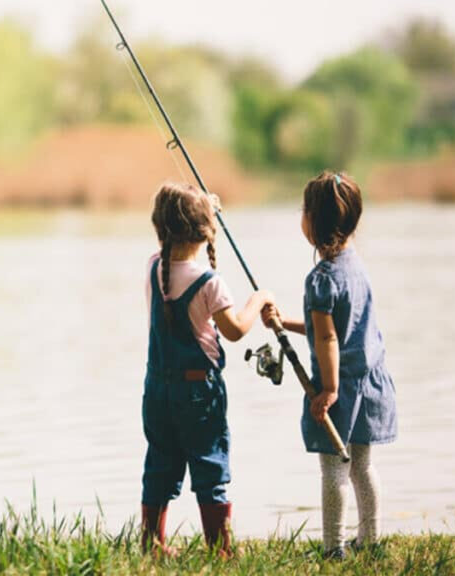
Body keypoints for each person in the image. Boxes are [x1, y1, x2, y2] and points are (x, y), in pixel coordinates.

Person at [262, 171, 397, 559]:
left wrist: (329, 391)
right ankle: (370, 540)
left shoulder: (320, 280)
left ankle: (333, 548)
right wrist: (283, 322)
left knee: (335, 471)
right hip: (371, 383)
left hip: (342, 390)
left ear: (312, 224)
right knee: (363, 468)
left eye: (303, 210)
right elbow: (332, 328)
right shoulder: (357, 267)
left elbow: (327, 338)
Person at [141, 182, 274, 558]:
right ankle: (220, 549)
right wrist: (259, 300)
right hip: (199, 395)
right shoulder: (209, 283)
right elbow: (235, 331)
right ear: (204, 232)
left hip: (157, 391)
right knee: (210, 465)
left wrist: (203, 211)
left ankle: (151, 544)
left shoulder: (154, 267)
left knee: (160, 464)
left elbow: (176, 240)